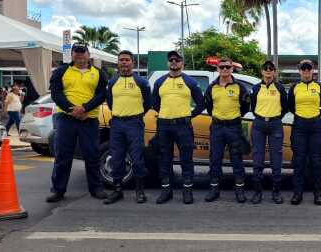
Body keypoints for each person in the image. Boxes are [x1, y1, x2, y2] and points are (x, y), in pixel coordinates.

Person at [46, 43, 107, 203]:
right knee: (62, 156)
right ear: (72, 54)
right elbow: (56, 93)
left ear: (88, 54)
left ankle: (96, 188)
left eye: (83, 52)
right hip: (66, 118)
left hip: (89, 119)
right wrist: (71, 109)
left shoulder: (98, 73)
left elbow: (101, 95)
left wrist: (85, 108)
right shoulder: (61, 71)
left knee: (92, 155)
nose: (80, 55)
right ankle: (58, 190)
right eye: (76, 52)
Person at [152, 51, 204, 204]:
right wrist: (165, 113)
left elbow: (201, 104)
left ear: (182, 63)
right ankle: (166, 191)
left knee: (186, 159)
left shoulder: (190, 82)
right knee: (164, 159)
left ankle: (187, 191)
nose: (174, 62)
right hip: (164, 125)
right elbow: (154, 103)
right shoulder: (160, 82)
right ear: (168, 63)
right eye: (171, 60)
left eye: (177, 59)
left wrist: (189, 115)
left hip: (183, 126)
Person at [103, 50, 152, 205]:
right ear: (118, 63)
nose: (124, 62)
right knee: (116, 158)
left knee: (137, 158)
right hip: (117, 123)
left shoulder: (141, 82)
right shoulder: (112, 82)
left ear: (133, 63)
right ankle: (117, 190)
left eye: (127, 60)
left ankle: (140, 191)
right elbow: (110, 102)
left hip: (134, 123)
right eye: (121, 60)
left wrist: (134, 115)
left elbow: (148, 103)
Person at [204, 57, 250, 203]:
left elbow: (245, 107)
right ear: (217, 68)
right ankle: (214, 189)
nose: (224, 69)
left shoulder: (240, 87)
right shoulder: (212, 87)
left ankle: (239, 190)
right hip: (217, 127)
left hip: (234, 127)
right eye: (222, 67)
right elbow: (209, 107)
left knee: (236, 159)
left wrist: (233, 117)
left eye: (227, 67)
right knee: (215, 159)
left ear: (232, 69)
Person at [287, 59, 321, 205]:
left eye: (308, 68)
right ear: (299, 71)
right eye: (303, 69)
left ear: (313, 70)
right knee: (299, 161)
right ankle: (298, 193)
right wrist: (301, 115)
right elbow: (290, 106)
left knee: (316, 162)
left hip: (315, 126)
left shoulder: (319, 87)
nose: (306, 71)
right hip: (299, 126)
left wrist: (314, 115)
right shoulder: (294, 87)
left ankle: (318, 193)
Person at [249, 60, 287, 204]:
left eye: (271, 68)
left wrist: (275, 117)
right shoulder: (255, 88)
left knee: (276, 159)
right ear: (262, 71)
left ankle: (276, 192)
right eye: (266, 68)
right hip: (259, 124)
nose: (268, 70)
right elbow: (253, 106)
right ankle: (257, 192)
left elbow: (285, 106)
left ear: (275, 72)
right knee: (258, 159)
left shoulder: (280, 88)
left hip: (275, 124)